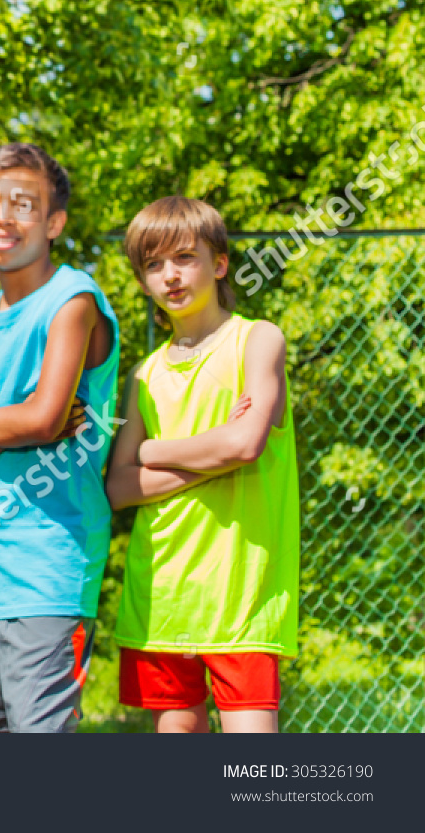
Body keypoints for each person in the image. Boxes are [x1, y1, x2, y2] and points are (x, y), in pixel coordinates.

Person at [0, 144, 119, 733]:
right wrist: (25, 419)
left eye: (23, 205)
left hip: (50, 571)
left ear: (53, 222)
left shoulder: (74, 299)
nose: (3, 217)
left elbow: (40, 421)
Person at [106, 196, 298, 733]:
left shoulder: (258, 339)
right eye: (153, 264)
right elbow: (119, 488)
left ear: (219, 264)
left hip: (243, 601)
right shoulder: (144, 375)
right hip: (162, 597)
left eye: (185, 257)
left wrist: (150, 450)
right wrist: (219, 447)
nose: (170, 275)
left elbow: (245, 446)